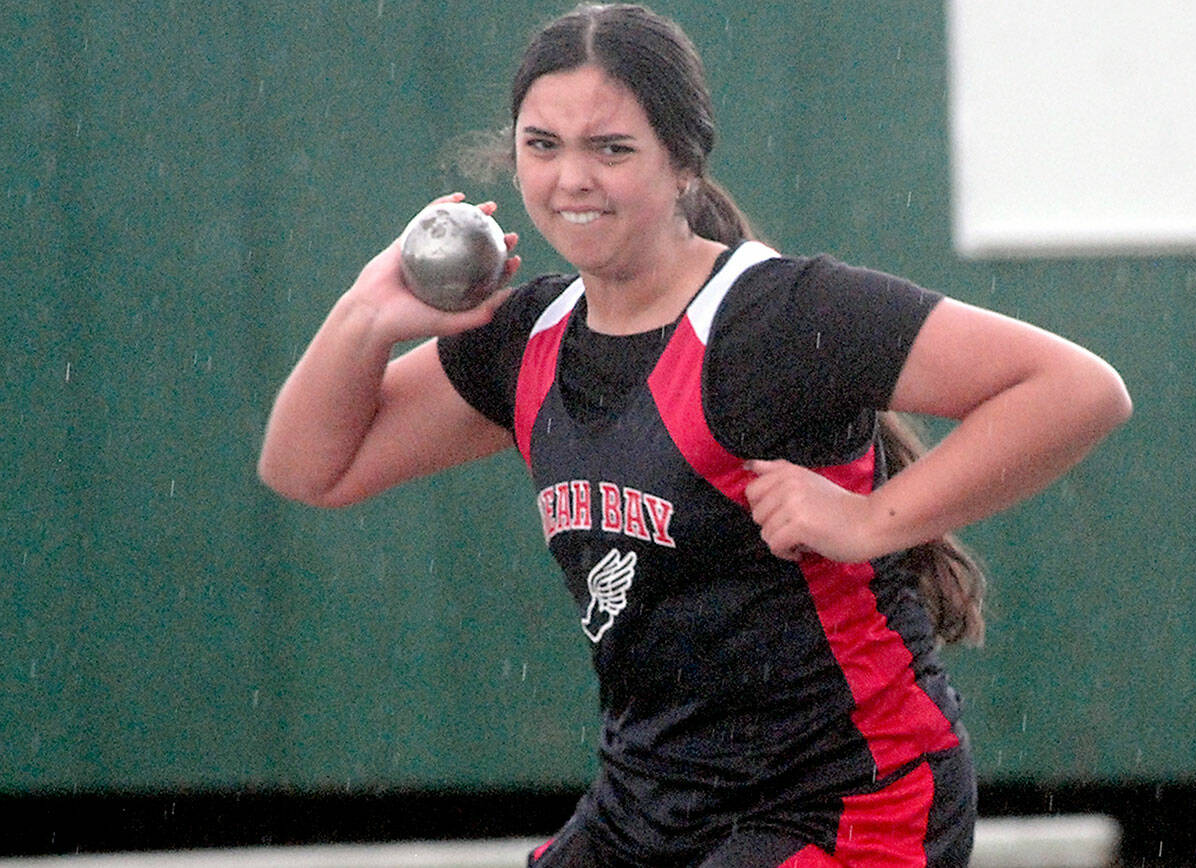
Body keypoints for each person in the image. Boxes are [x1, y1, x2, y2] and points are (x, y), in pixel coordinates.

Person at [258, 4, 1132, 866]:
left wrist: (872, 522)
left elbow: (1075, 390)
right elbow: (308, 469)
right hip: (653, 805)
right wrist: (367, 317)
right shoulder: (526, 338)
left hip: (848, 797)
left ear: (682, 162)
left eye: (611, 148)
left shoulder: (775, 319)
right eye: (542, 145)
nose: (572, 180)